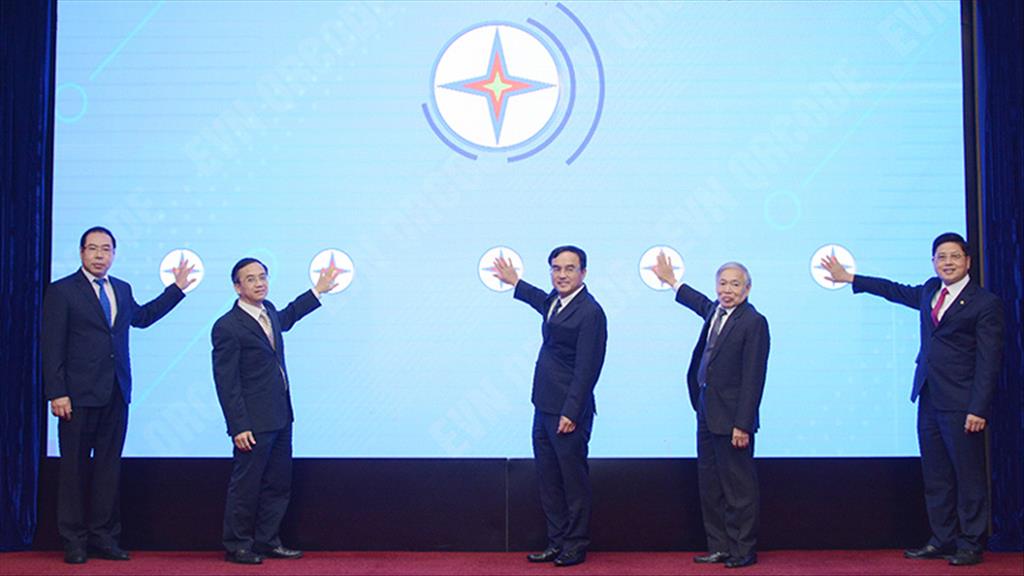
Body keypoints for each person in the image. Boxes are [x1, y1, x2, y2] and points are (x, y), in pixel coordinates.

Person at [821, 232, 1004, 566]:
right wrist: (850, 278)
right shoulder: (930, 290)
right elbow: (894, 290)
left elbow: (989, 361)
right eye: (941, 257)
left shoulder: (984, 303)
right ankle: (942, 539)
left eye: (954, 256)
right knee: (936, 475)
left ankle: (970, 543)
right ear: (933, 262)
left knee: (968, 476)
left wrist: (978, 408)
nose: (947, 262)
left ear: (968, 262)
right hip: (929, 396)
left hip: (962, 402)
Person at [42, 226, 195, 564]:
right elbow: (51, 346)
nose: (100, 255)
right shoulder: (62, 291)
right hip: (77, 397)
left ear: (113, 254)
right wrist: (57, 392)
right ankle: (74, 540)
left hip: (115, 391)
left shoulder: (122, 289)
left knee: (108, 469)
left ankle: (104, 537)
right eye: (93, 249)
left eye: (106, 249)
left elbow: (142, 318)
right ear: (81, 253)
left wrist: (176, 289)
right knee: (74, 471)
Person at [212, 257, 339, 565]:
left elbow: (288, 317)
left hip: (281, 414)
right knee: (246, 486)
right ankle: (238, 545)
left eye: (263, 277)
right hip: (252, 422)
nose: (259, 283)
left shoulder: (268, 312)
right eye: (251, 279)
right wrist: (238, 426)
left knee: (278, 483)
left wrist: (317, 290)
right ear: (237, 287)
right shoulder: (227, 326)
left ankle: (268, 541)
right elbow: (226, 382)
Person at [652, 254, 769, 569]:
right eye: (723, 283)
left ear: (747, 289)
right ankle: (719, 547)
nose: (727, 290)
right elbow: (699, 302)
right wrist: (672, 281)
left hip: (733, 420)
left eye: (735, 284)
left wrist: (743, 424)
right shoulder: (715, 312)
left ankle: (743, 550)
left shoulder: (754, 322)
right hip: (706, 411)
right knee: (710, 484)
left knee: (738, 487)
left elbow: (754, 377)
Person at [492, 246, 607, 567]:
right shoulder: (556, 301)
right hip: (543, 404)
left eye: (570, 269)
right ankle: (556, 542)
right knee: (549, 479)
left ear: (583, 273)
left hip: (568, 411)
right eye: (557, 268)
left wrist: (571, 411)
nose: (562, 275)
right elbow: (541, 302)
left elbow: (588, 368)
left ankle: (575, 544)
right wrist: (516, 282)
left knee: (572, 481)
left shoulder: (591, 312)